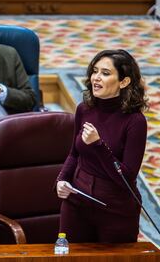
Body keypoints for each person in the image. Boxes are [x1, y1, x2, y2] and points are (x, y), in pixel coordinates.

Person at [55, 49, 148, 243]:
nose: (96, 78)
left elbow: (126, 177)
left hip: (114, 207)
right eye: (95, 71)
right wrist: (61, 180)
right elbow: (74, 153)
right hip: (77, 201)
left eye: (105, 73)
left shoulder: (135, 121)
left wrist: (98, 145)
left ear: (124, 82)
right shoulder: (84, 109)